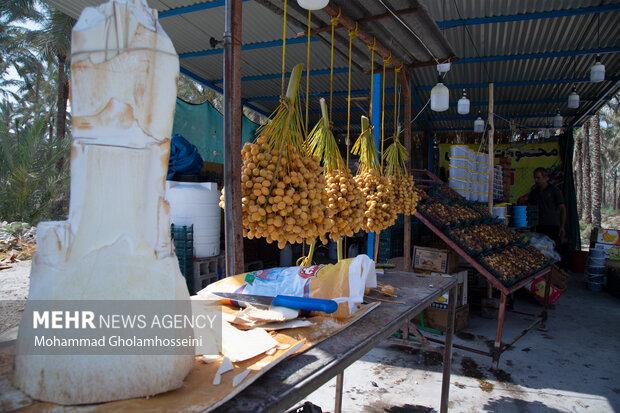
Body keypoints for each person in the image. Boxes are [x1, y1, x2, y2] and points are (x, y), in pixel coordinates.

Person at [518, 167, 566, 248]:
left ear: (546, 178)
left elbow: (562, 209)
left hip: (552, 226)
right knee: (541, 249)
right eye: (535, 178)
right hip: (539, 227)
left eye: (538, 178)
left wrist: (562, 226)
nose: (536, 180)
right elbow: (524, 202)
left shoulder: (555, 190)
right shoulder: (535, 192)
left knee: (552, 248)